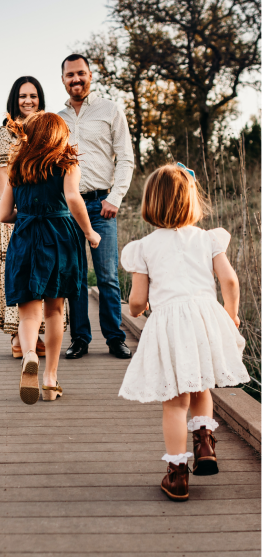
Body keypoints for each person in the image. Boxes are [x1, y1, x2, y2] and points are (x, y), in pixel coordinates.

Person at [119, 163, 249, 501]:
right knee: (202, 383)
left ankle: (177, 475)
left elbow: (136, 301)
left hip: (170, 325)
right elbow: (230, 281)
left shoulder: (144, 247)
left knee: (175, 403)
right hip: (205, 319)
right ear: (192, 200)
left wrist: (136, 310)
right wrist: (231, 316)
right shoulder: (208, 239)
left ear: (151, 203)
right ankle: (205, 442)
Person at [0, 112, 101, 404]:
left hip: (26, 237)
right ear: (58, 135)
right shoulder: (67, 164)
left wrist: (29, 213)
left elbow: (4, 214)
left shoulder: (16, 167)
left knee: (29, 312)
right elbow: (72, 198)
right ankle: (50, 378)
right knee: (55, 311)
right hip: (59, 237)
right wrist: (90, 232)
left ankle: (30, 353)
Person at [58, 54, 134, 360]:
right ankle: (80, 339)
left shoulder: (110, 110)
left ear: (90, 75)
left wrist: (115, 198)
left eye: (81, 74)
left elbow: (125, 157)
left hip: (102, 206)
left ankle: (115, 338)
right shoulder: (56, 119)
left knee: (107, 277)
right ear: (62, 79)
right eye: (69, 75)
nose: (76, 80)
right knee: (75, 276)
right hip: (69, 209)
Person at [0, 76, 50, 358]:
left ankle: (34, 335)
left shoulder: (46, 130)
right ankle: (17, 336)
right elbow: (3, 178)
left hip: (42, 214)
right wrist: (14, 212)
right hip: (15, 212)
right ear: (15, 99)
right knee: (17, 273)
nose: (28, 101)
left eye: (34, 96)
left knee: (38, 272)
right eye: (23, 96)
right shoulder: (7, 133)